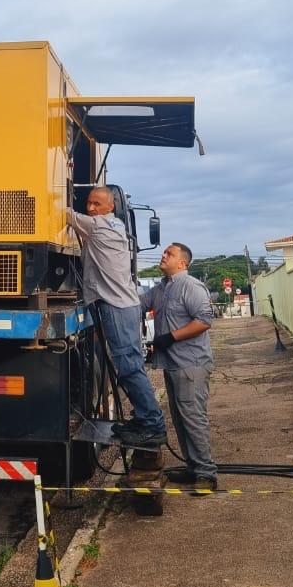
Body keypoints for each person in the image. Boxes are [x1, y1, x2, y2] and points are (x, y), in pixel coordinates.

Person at [67, 187, 166, 446]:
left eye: (97, 203)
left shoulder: (99, 226)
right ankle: (144, 417)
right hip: (121, 305)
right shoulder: (117, 225)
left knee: (130, 367)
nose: (90, 208)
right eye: (88, 203)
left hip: (116, 307)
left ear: (110, 207)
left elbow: (64, 214)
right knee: (129, 365)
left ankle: (153, 424)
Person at [140, 242, 217, 490]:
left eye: (169, 254)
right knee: (181, 419)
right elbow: (138, 304)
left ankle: (206, 474)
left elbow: (204, 321)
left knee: (193, 417)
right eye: (164, 252)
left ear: (182, 263)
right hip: (173, 365)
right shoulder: (161, 289)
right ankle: (193, 468)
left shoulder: (190, 286)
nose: (163, 255)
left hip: (190, 364)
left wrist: (170, 337)